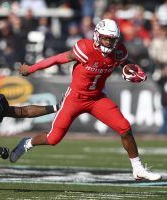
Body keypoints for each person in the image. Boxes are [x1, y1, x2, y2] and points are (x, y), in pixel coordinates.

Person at [10, 19, 162, 181]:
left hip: (97, 98)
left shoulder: (118, 52)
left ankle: (138, 168)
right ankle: (27, 143)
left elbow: (125, 62)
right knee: (53, 138)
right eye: (105, 38)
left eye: (112, 39)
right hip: (75, 98)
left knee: (124, 128)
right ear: (97, 36)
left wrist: (131, 68)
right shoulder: (85, 48)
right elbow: (57, 59)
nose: (109, 42)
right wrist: (31, 69)